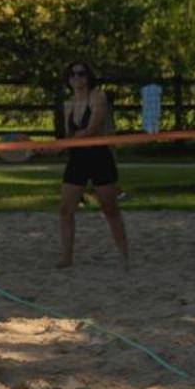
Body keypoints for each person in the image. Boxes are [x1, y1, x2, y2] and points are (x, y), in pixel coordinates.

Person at [56, 62, 129, 268]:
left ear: (88, 77)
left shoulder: (98, 97)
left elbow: (92, 129)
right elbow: (68, 136)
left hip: (99, 156)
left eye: (81, 73)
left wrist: (64, 143)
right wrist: (50, 148)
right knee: (65, 209)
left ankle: (124, 255)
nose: (77, 77)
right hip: (78, 158)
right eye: (72, 74)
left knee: (110, 209)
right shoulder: (68, 104)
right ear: (68, 79)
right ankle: (66, 258)